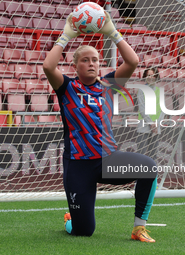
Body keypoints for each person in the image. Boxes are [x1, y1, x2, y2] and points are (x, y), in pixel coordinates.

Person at [43, 11, 158, 242]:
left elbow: (133, 61)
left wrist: (111, 31)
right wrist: (66, 35)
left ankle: (139, 228)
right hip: (78, 167)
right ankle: (71, 220)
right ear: (74, 65)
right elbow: (48, 66)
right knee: (84, 231)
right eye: (85, 60)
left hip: (107, 161)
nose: (91, 63)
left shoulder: (108, 85)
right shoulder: (66, 87)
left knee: (149, 168)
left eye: (95, 59)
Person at [136, 67, 165, 160]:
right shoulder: (141, 90)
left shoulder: (160, 91)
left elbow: (162, 109)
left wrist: (157, 123)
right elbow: (142, 108)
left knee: (153, 155)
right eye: (148, 75)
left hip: (156, 128)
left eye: (152, 75)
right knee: (141, 154)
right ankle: (140, 174)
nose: (150, 77)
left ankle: (152, 174)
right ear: (145, 77)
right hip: (144, 127)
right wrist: (151, 123)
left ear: (156, 77)